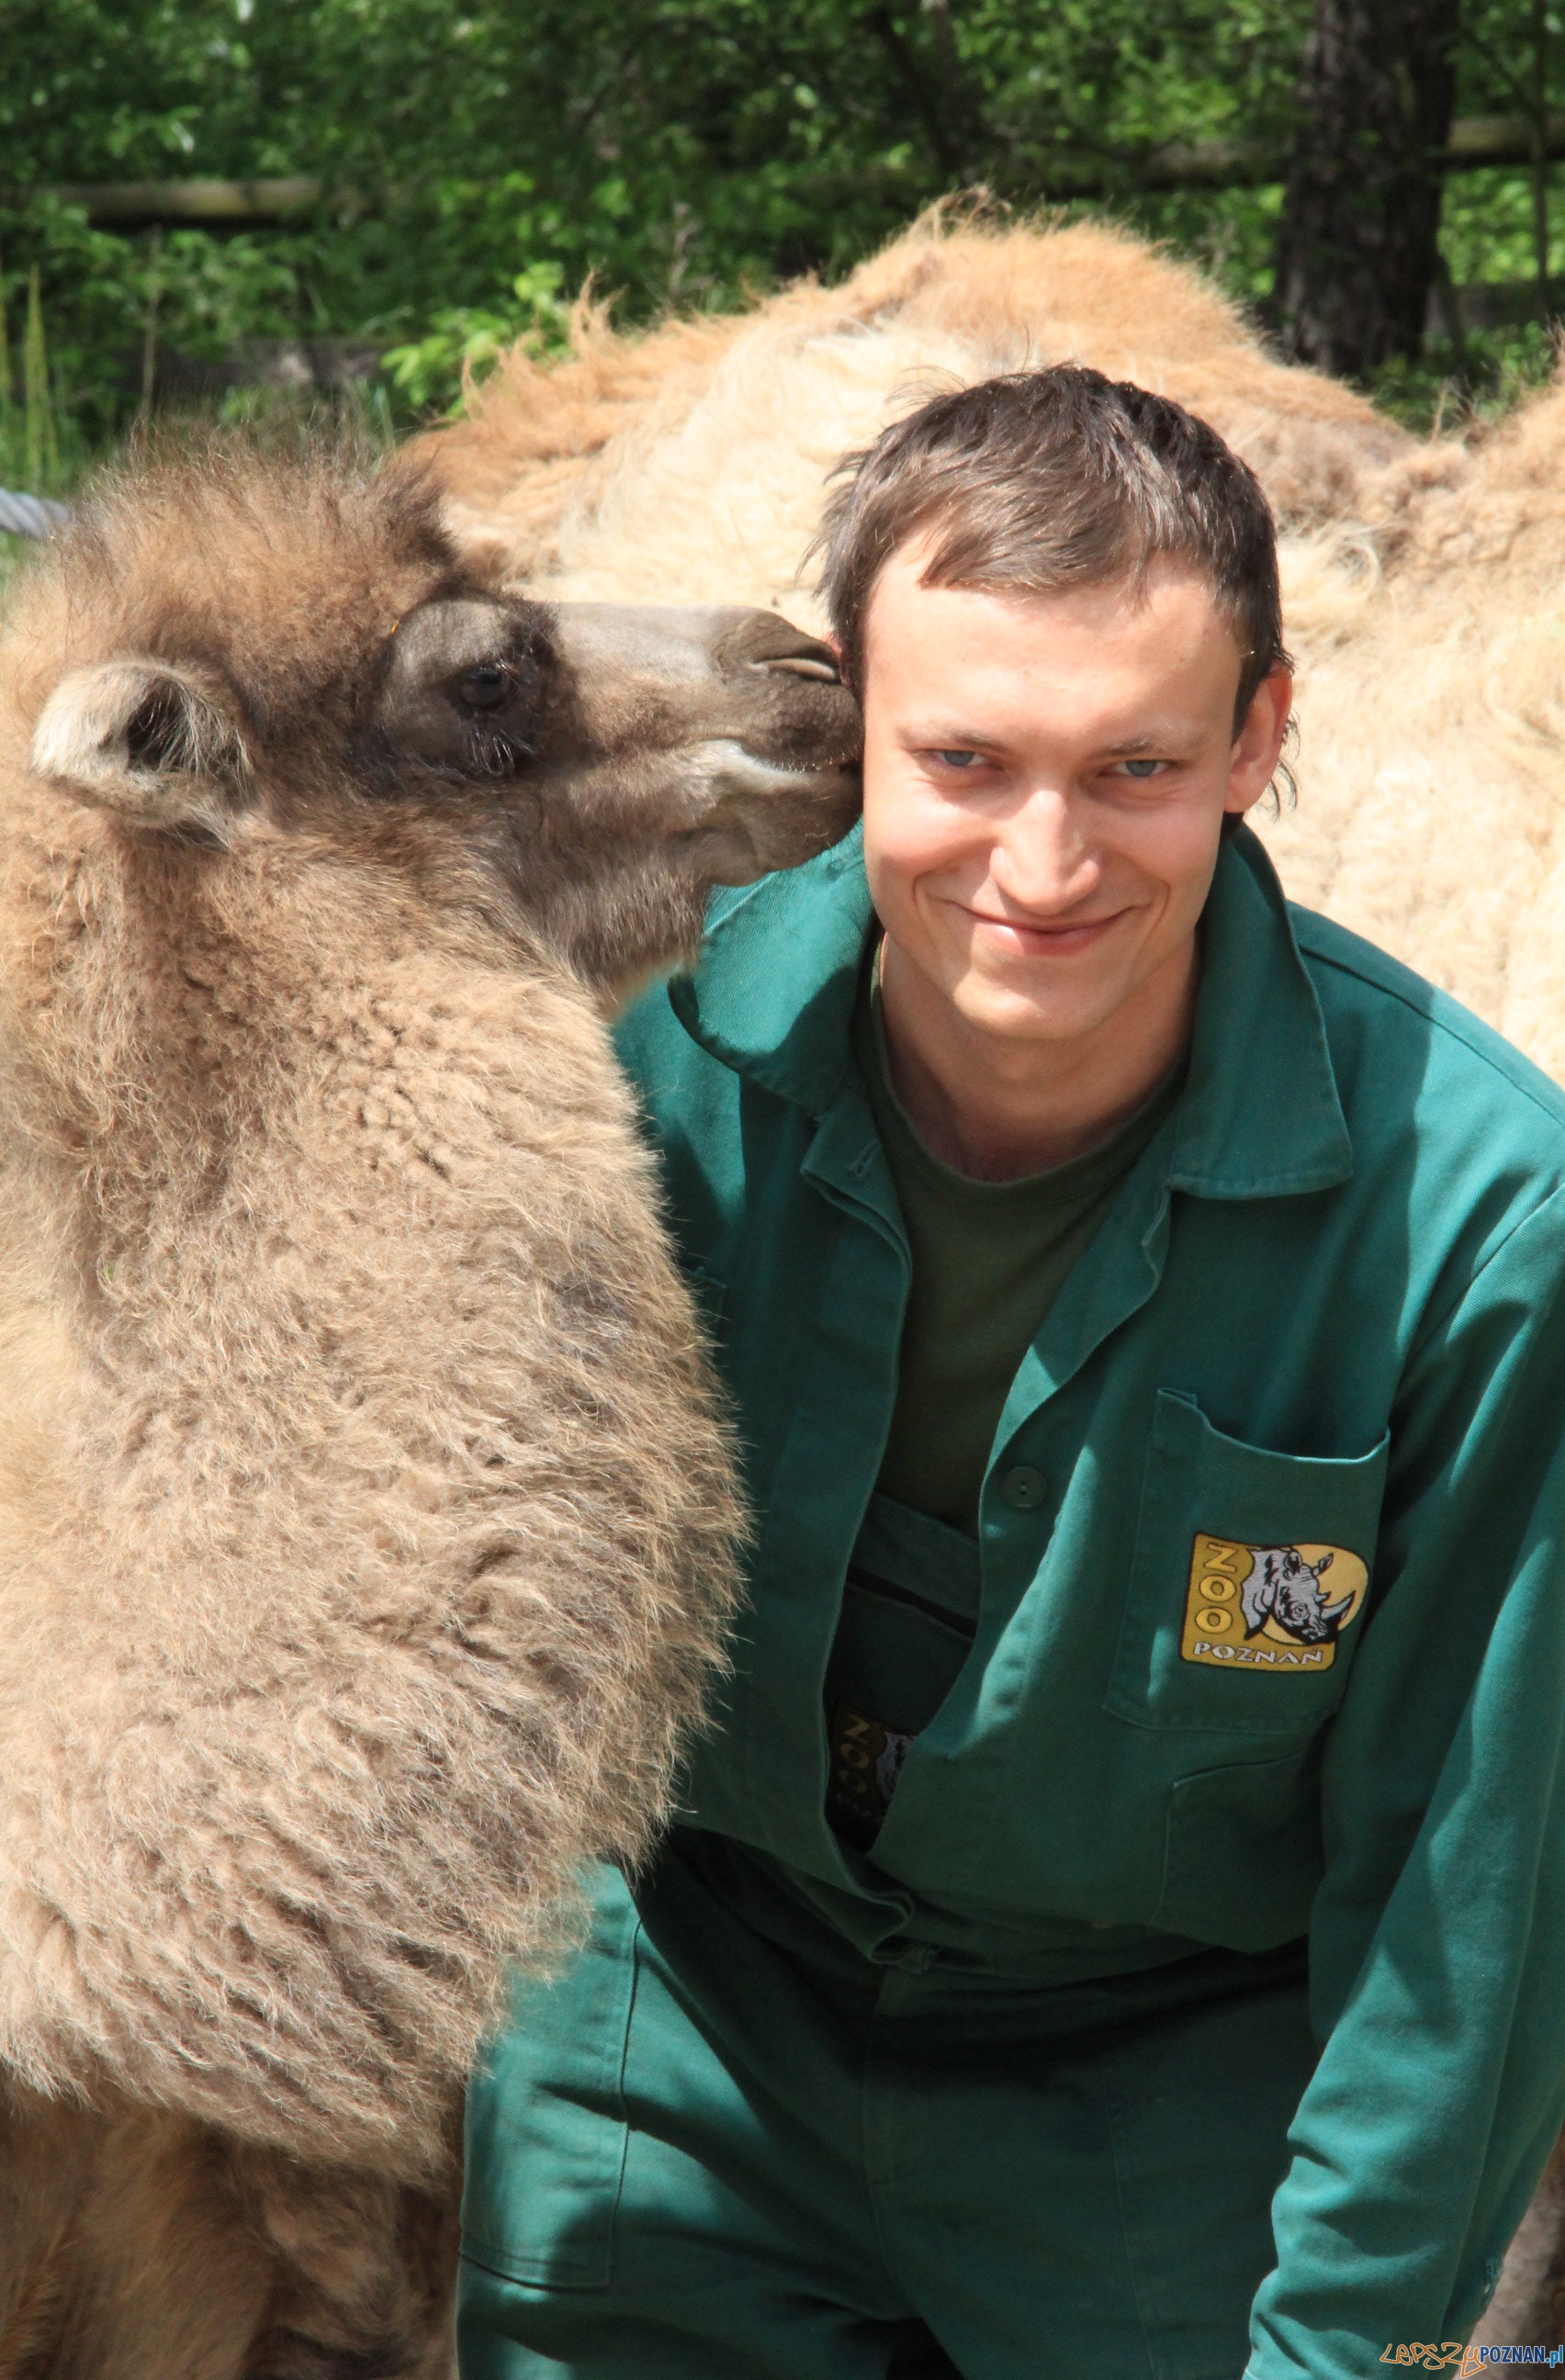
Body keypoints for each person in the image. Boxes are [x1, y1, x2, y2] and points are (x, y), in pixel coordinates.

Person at [455, 367, 1565, 2378]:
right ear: (844, 732)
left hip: (1159, 2091)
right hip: (689, 2043)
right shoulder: (623, 1076)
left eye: (1133, 768)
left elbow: (1462, 1916)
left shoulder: (1483, 1220)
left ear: (1259, 740)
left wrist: (1352, 2359)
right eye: (963, 759)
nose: (1042, 866)